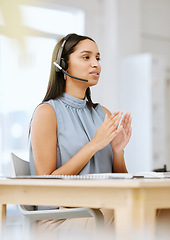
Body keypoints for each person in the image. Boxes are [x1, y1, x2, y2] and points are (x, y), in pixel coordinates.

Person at [29, 33, 132, 237]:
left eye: (98, 58)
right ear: (62, 65)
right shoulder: (46, 113)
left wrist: (118, 152)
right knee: (123, 215)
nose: (96, 64)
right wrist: (94, 145)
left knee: (160, 210)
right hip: (59, 218)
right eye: (86, 57)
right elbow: (47, 184)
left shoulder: (103, 114)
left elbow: (121, 184)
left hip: (101, 209)